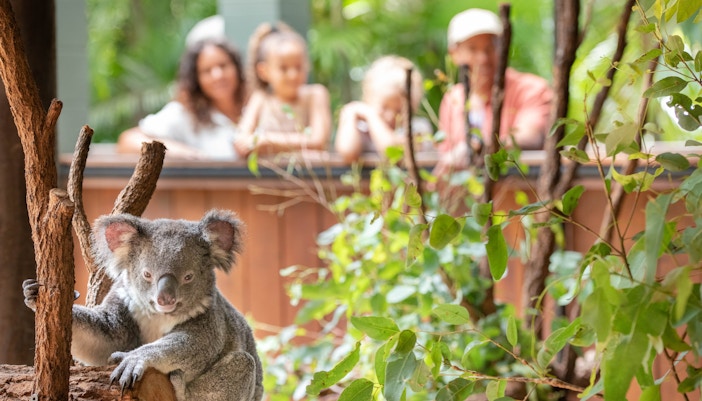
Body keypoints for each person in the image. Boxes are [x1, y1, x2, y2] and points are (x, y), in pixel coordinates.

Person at [434, 8, 554, 176]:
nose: (483, 58)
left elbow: (529, 137)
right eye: (472, 49)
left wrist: (476, 146)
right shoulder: (453, 99)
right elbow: (445, 155)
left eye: (491, 47)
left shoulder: (531, 89)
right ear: (454, 54)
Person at [117, 36, 247, 160]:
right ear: (196, 79)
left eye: (223, 65)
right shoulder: (186, 114)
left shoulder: (257, 106)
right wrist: (178, 151)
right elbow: (128, 140)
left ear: (237, 68)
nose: (218, 75)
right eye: (207, 71)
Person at [234, 22, 332, 157]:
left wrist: (266, 140)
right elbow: (241, 141)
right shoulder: (260, 99)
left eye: (298, 67)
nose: (293, 75)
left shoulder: (316, 94)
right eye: (283, 68)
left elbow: (318, 140)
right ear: (264, 71)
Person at [334, 55, 432, 163]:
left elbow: (391, 153)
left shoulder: (418, 129)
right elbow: (348, 152)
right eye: (384, 107)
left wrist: (371, 116)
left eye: (399, 110)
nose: (390, 116)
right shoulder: (361, 128)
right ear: (368, 99)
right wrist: (349, 114)